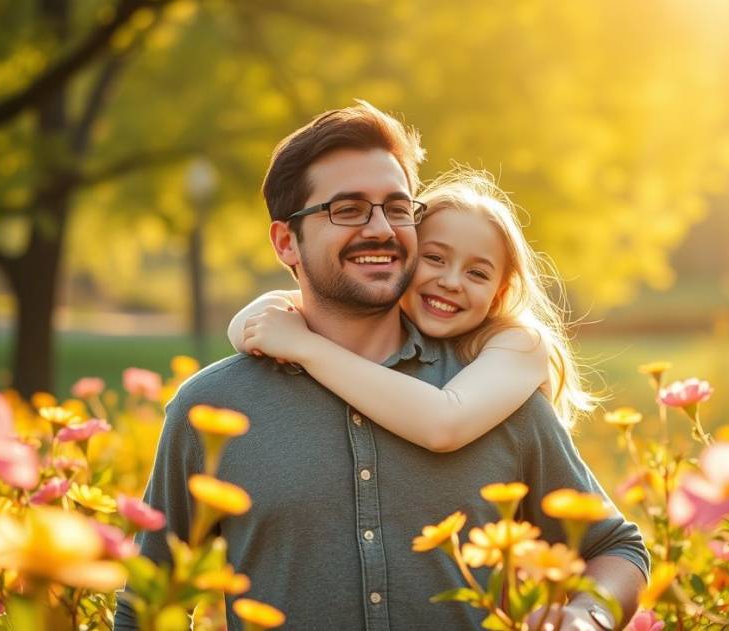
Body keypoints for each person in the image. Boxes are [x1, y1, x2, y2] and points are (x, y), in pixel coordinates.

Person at [113, 103, 648, 631]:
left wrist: (586, 614)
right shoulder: (214, 406)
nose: (380, 229)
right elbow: (146, 606)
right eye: (347, 209)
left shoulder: (492, 395)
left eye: (396, 208)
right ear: (285, 242)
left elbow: (614, 548)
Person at [227, 169, 594, 453]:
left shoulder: (519, 345)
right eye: (434, 258)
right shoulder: (387, 332)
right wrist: (274, 315)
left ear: (498, 296)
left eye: (477, 273)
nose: (452, 282)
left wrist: (303, 346)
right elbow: (246, 325)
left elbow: (443, 425)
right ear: (401, 258)